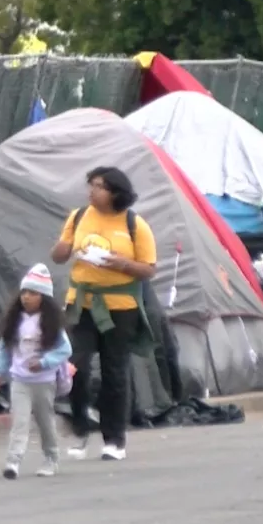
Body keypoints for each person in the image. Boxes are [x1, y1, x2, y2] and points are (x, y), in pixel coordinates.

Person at [51, 166, 157, 461]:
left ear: (114, 192)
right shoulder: (79, 216)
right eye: (91, 185)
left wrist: (121, 264)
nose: (91, 191)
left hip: (119, 309)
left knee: (114, 371)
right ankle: (81, 429)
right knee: (76, 367)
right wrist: (65, 246)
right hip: (81, 303)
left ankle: (114, 439)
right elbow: (59, 255)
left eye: (97, 186)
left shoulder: (135, 224)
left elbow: (148, 269)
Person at [0, 264, 72, 479]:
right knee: (19, 422)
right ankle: (13, 461)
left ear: (44, 298)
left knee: (45, 422)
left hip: (44, 382)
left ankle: (51, 458)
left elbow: (64, 349)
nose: (27, 297)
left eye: (33, 293)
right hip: (20, 380)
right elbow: (5, 349)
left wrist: (44, 362)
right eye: (24, 292)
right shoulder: (15, 322)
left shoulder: (51, 324)